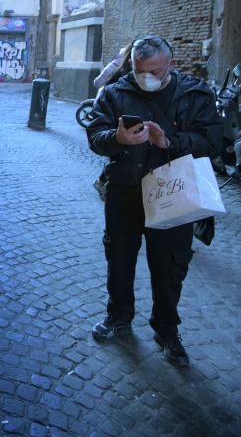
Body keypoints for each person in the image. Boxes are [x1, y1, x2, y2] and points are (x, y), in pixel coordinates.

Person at [85, 36, 222, 367]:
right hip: (125, 192)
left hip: (173, 193)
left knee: (169, 265)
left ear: (170, 65)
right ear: (131, 65)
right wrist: (116, 139)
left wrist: (171, 141)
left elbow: (213, 142)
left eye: (154, 71)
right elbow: (94, 136)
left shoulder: (194, 94)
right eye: (139, 70)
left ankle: (166, 330)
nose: (146, 76)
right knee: (119, 258)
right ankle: (119, 317)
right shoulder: (115, 93)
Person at [90, 43, 134, 199]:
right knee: (118, 150)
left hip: (123, 113)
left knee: (123, 150)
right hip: (114, 111)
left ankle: (103, 181)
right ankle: (102, 181)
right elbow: (98, 81)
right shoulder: (119, 65)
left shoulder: (120, 61)